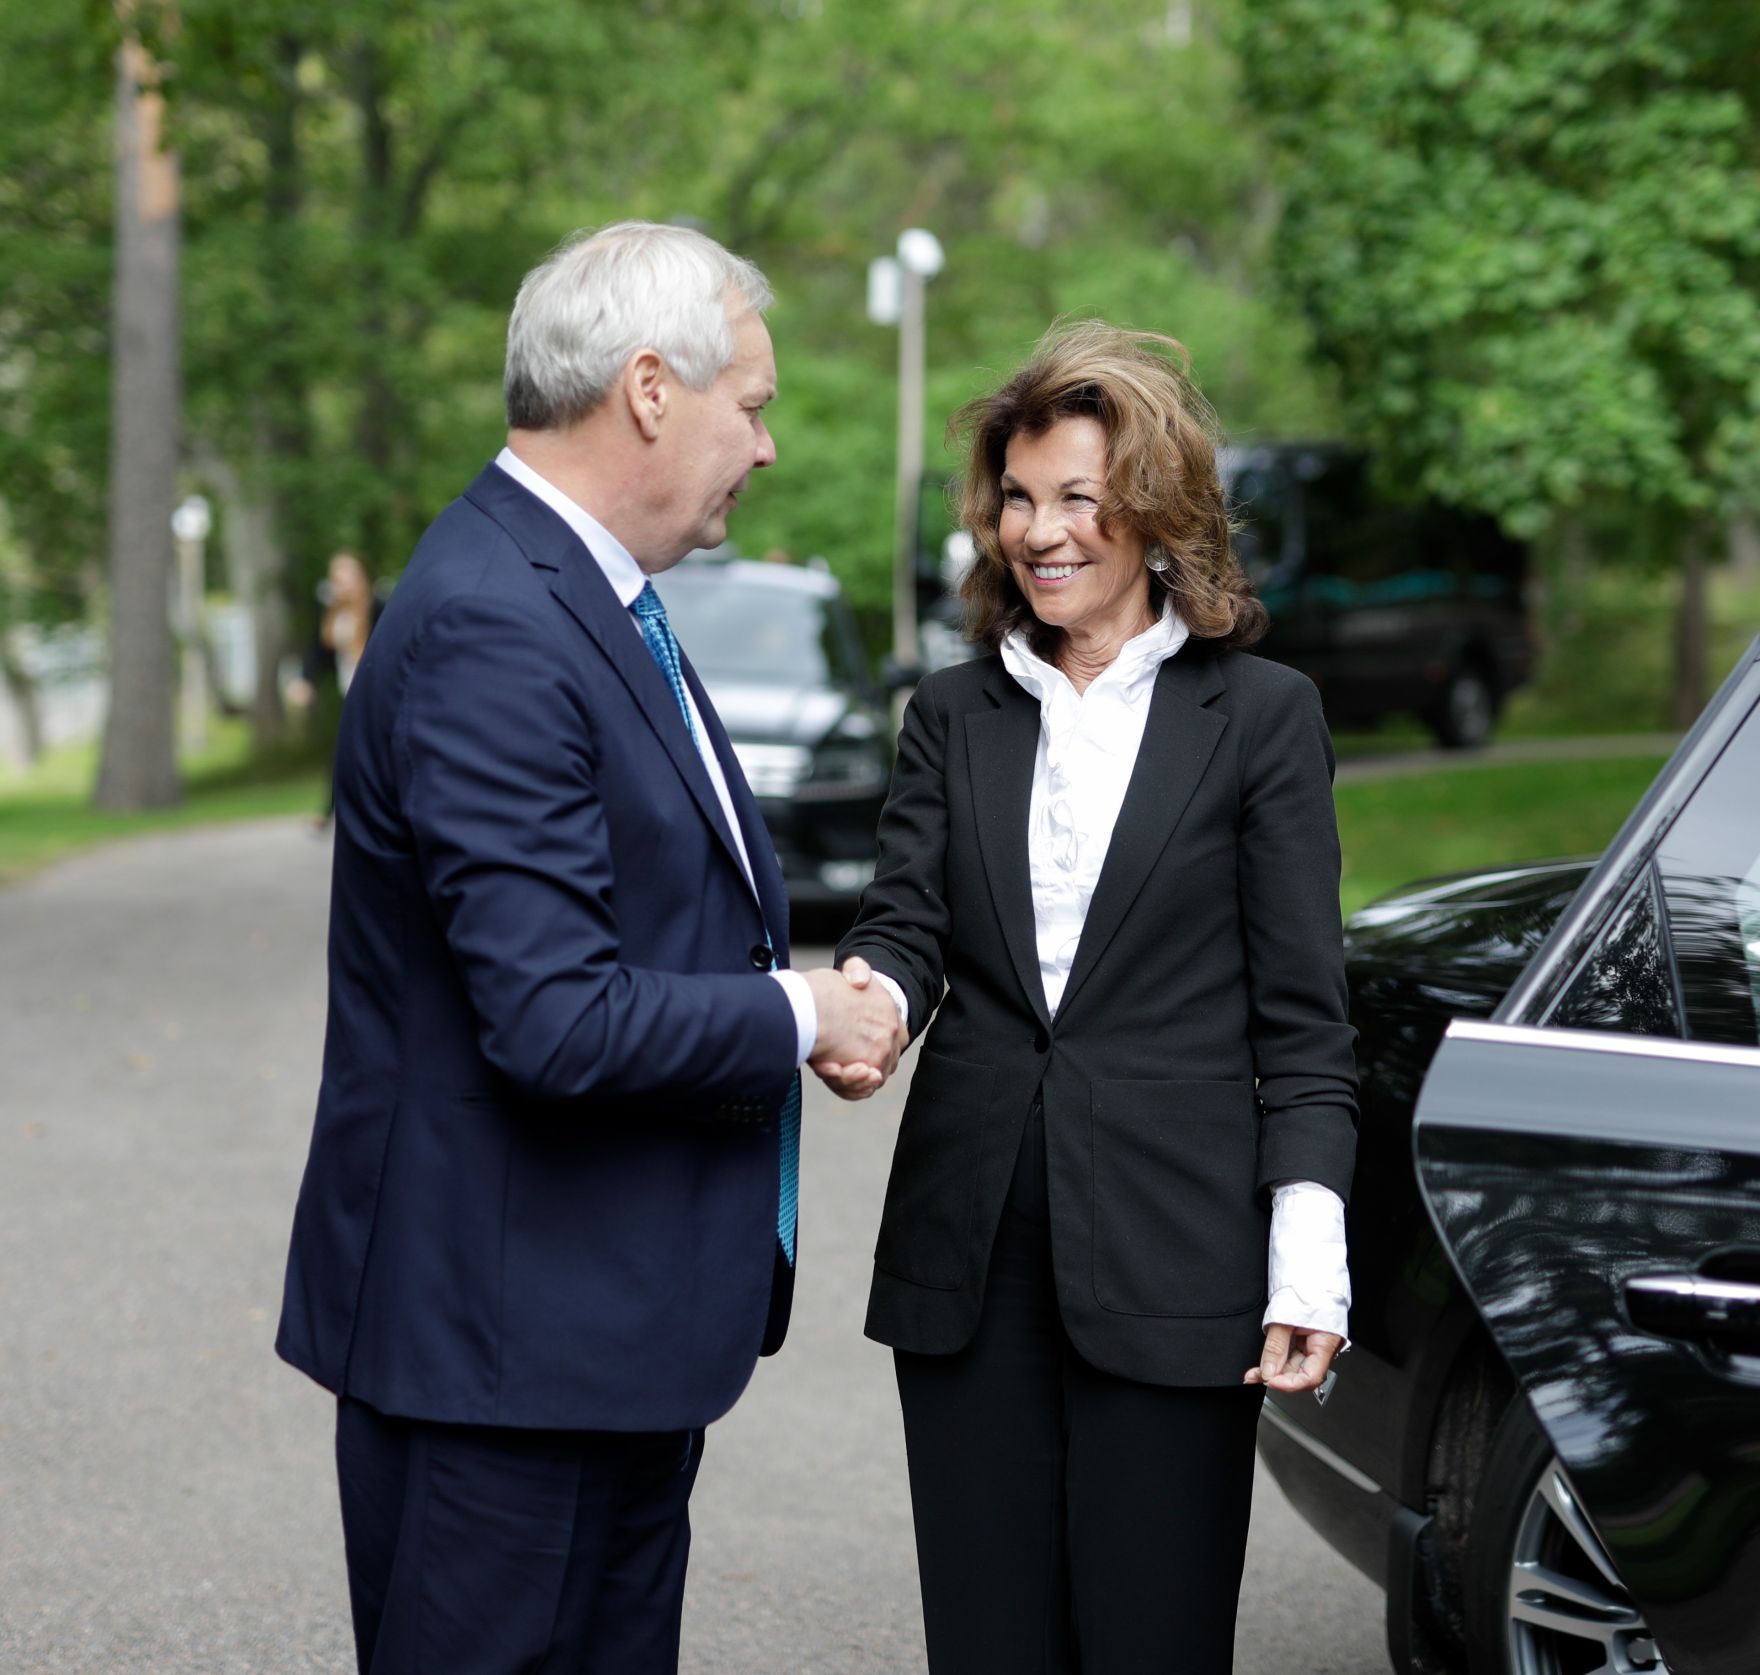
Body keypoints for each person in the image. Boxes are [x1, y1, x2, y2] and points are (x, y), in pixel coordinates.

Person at [275, 221, 904, 1675]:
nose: (765, 446)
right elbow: (555, 1017)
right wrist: (800, 1011)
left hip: (591, 1341)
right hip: (503, 1361)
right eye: (752, 404)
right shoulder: (494, 621)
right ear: (649, 390)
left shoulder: (579, 592)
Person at [835, 322, 1358, 1673]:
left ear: (1156, 505)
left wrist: (1308, 1256)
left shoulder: (1261, 716)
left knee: (1151, 1638)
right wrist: (870, 1002)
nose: (1040, 530)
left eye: (1078, 495)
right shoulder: (951, 712)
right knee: (989, 1643)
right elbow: (906, 924)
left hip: (1178, 1250)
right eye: (1018, 497)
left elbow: (1304, 1022)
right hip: (970, 1250)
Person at [286, 550, 383, 827]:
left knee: (366, 750)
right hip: (349, 691)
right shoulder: (334, 613)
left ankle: (340, 811)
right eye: (337, 577)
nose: (342, 583)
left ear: (361, 577)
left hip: (374, 692)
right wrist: (306, 680)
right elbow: (318, 651)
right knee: (345, 749)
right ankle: (333, 810)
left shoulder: (377, 607)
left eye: (348, 575)